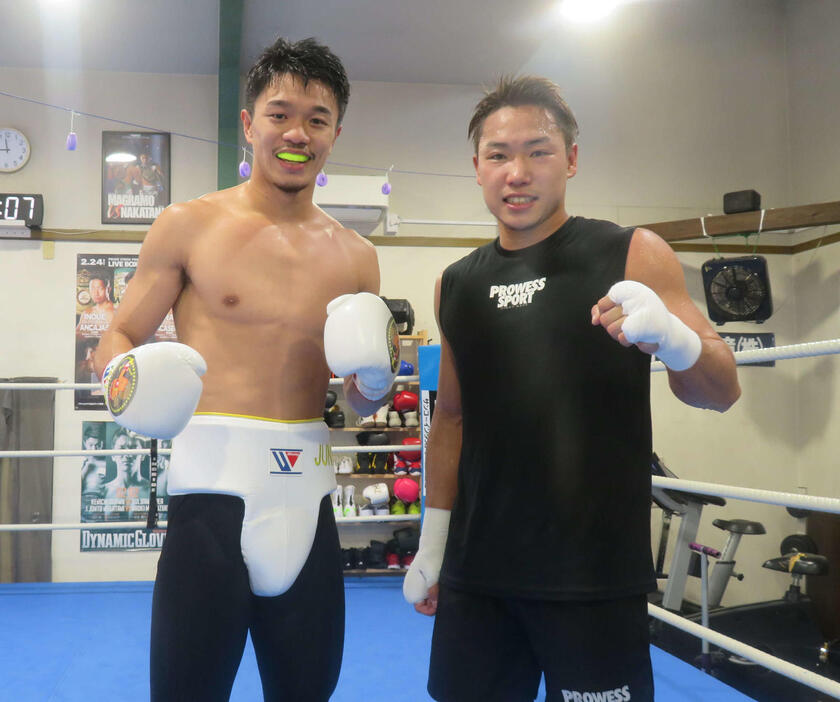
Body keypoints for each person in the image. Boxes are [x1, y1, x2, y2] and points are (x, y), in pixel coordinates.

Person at [403, 75, 741, 702]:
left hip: (591, 575)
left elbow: (720, 391)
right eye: (498, 155)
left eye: (539, 150)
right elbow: (449, 419)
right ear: (477, 169)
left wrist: (674, 338)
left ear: (572, 160)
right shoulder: (457, 282)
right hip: (478, 576)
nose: (517, 172)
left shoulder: (631, 253)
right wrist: (434, 545)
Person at [94, 37, 399, 702]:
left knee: (306, 692)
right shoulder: (188, 226)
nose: (297, 133)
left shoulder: (356, 257)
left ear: (335, 133)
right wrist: (127, 381)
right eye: (280, 114)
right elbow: (118, 334)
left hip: (309, 498)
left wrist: (372, 390)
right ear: (248, 123)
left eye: (317, 119)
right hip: (211, 496)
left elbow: (350, 409)